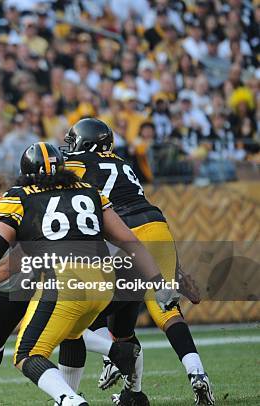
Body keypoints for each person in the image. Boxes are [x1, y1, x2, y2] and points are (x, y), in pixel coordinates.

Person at [0, 142, 179, 406]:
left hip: (64, 281)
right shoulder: (90, 191)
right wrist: (159, 283)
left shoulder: (18, 196)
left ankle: (70, 400)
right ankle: (112, 356)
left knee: (27, 354)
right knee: (72, 334)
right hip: (103, 281)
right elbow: (129, 240)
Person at [62, 118, 214, 406]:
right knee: (165, 310)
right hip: (156, 224)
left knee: (90, 306)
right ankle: (197, 373)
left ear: (87, 142)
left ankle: (112, 356)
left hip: (122, 233)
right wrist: (176, 272)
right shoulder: (123, 163)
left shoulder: (79, 161)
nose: (70, 146)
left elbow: (51, 175)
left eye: (74, 140)